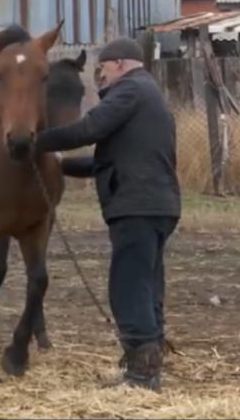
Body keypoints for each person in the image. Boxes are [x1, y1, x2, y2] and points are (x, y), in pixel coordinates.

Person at [37, 37, 181, 392]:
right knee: (147, 287)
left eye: (101, 69)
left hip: (137, 204)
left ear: (117, 64)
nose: (100, 77)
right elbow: (106, 160)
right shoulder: (148, 95)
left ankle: (142, 376)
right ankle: (144, 367)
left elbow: (88, 129)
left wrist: (34, 141)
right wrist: (61, 165)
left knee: (129, 288)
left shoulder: (129, 91)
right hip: (154, 204)